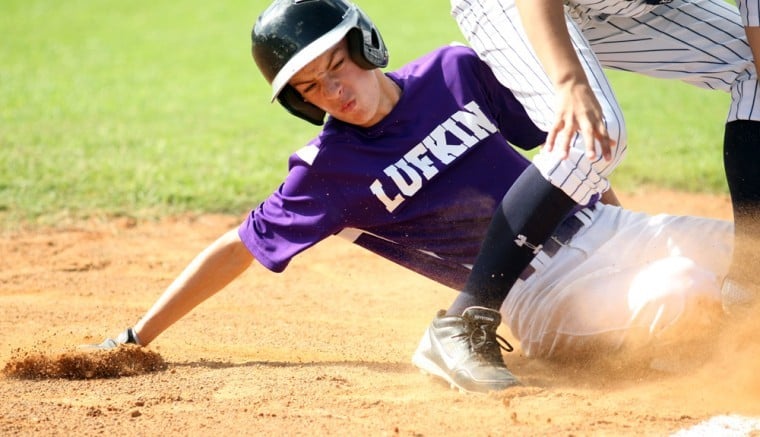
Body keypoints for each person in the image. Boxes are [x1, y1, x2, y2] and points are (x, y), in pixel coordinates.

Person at [89, 0, 734, 394]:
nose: (334, 91)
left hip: (608, 232)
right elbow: (237, 248)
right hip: (536, 292)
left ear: (364, 44)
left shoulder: (454, 72)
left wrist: (619, 230)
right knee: (680, 288)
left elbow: (567, 152)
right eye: (312, 88)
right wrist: (135, 336)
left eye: (335, 66)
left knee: (748, 263)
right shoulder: (328, 173)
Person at [448, 0, 760, 315]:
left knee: (752, 72)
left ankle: (748, 285)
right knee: (592, 133)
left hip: (622, 8)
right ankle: (468, 314)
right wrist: (570, 81)